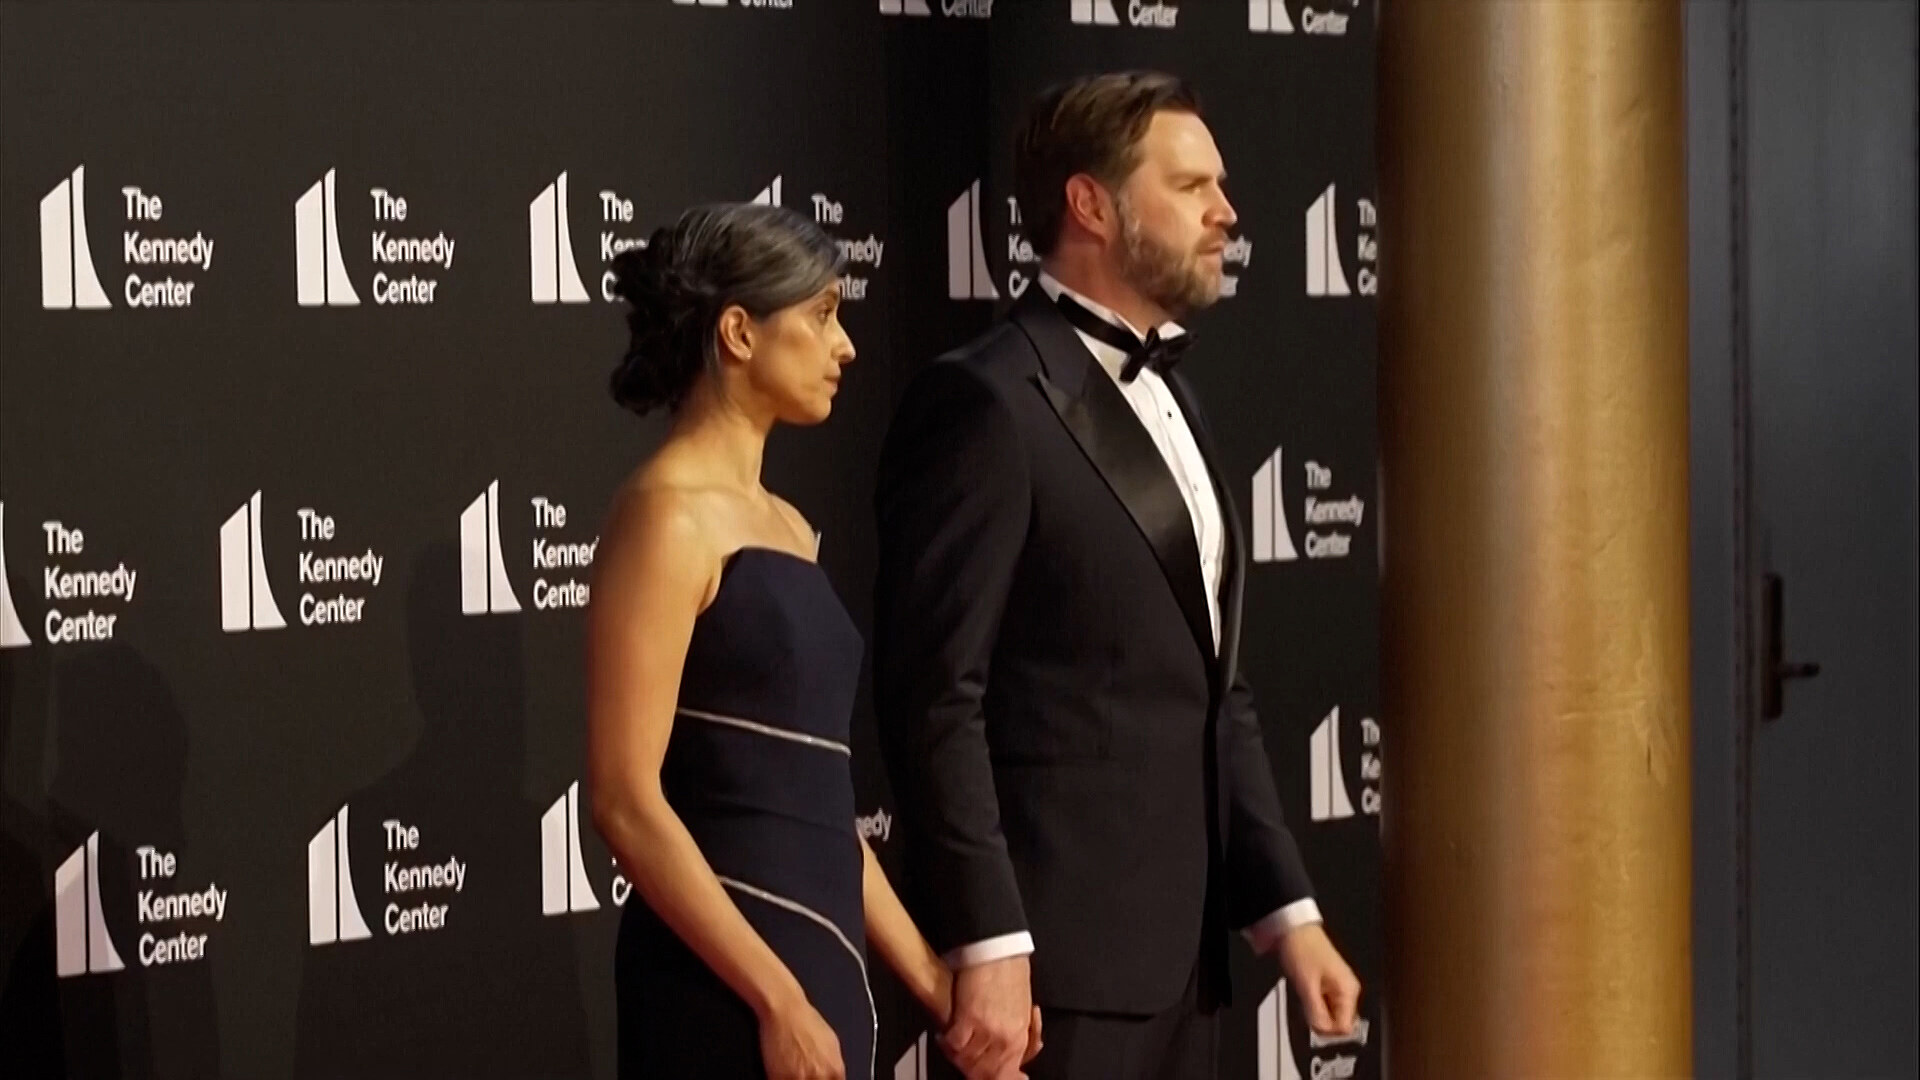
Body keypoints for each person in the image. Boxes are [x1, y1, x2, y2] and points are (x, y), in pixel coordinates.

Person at [873, 72, 1363, 1080]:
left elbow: (1212, 689)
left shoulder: (1183, 400)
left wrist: (1289, 914)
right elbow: (934, 696)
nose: (1227, 213)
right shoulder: (986, 403)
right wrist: (989, 937)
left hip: (1187, 968)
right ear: (1090, 205)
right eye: (1191, 187)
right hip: (1051, 977)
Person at [586, 204, 1000, 1080]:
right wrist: (775, 998)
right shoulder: (664, 518)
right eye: (822, 315)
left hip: (819, 986)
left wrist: (940, 988)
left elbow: (819, 814)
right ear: (739, 332)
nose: (845, 346)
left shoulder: (790, 527)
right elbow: (625, 801)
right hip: (719, 994)